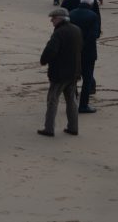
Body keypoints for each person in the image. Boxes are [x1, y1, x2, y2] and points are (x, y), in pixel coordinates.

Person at [38, 7, 81, 137]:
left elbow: (51, 50)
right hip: (74, 72)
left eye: (54, 18)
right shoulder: (76, 29)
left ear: (60, 19)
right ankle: (73, 127)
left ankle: (49, 128)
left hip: (60, 73)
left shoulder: (59, 32)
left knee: (52, 100)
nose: (52, 20)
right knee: (71, 100)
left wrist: (43, 60)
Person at [69, 0, 100, 113]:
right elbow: (94, 35)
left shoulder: (71, 14)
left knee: (73, 78)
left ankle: (73, 101)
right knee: (87, 79)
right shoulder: (93, 16)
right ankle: (83, 105)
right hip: (88, 53)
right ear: (91, 3)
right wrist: (83, 46)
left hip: (73, 52)